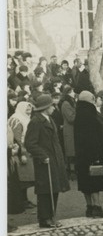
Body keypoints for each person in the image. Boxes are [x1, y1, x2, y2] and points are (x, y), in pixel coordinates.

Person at [24, 94, 71, 228]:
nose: (53, 107)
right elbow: (30, 143)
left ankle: (51, 216)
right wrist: (43, 155)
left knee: (54, 188)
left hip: (54, 159)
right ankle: (45, 219)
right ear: (45, 107)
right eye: (51, 105)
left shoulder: (49, 119)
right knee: (45, 190)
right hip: (44, 161)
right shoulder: (36, 121)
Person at [74, 91, 103, 218]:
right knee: (95, 180)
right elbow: (94, 136)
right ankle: (97, 207)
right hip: (94, 153)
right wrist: (97, 154)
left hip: (82, 154)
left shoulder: (79, 114)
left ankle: (89, 207)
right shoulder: (91, 114)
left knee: (85, 180)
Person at [8, 101, 36, 209]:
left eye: (30, 109)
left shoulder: (23, 118)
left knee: (26, 178)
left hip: (25, 149)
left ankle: (25, 200)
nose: (29, 111)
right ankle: (22, 201)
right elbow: (17, 138)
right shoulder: (17, 119)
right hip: (21, 151)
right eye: (27, 109)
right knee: (23, 178)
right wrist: (22, 153)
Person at [59, 84, 77, 179]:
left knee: (73, 151)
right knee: (71, 152)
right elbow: (70, 118)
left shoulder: (71, 102)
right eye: (72, 92)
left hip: (72, 130)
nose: (74, 93)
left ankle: (73, 171)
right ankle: (71, 171)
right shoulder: (66, 104)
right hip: (70, 130)